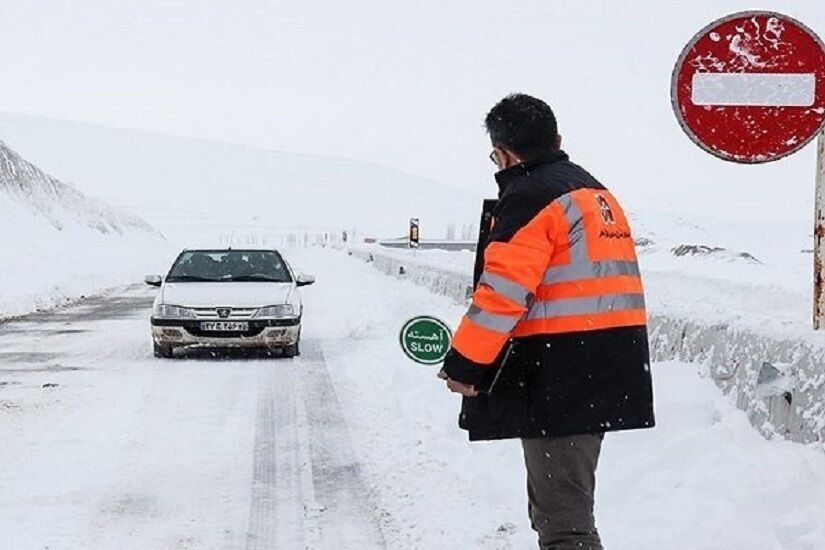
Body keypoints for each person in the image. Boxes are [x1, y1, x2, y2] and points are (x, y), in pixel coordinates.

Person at [439, 93, 655, 550]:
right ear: (557, 140)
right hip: (604, 365)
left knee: (564, 524)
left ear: (503, 154)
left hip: (562, 376)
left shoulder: (530, 197)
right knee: (562, 510)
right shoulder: (592, 190)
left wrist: (463, 366)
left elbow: (501, 294)